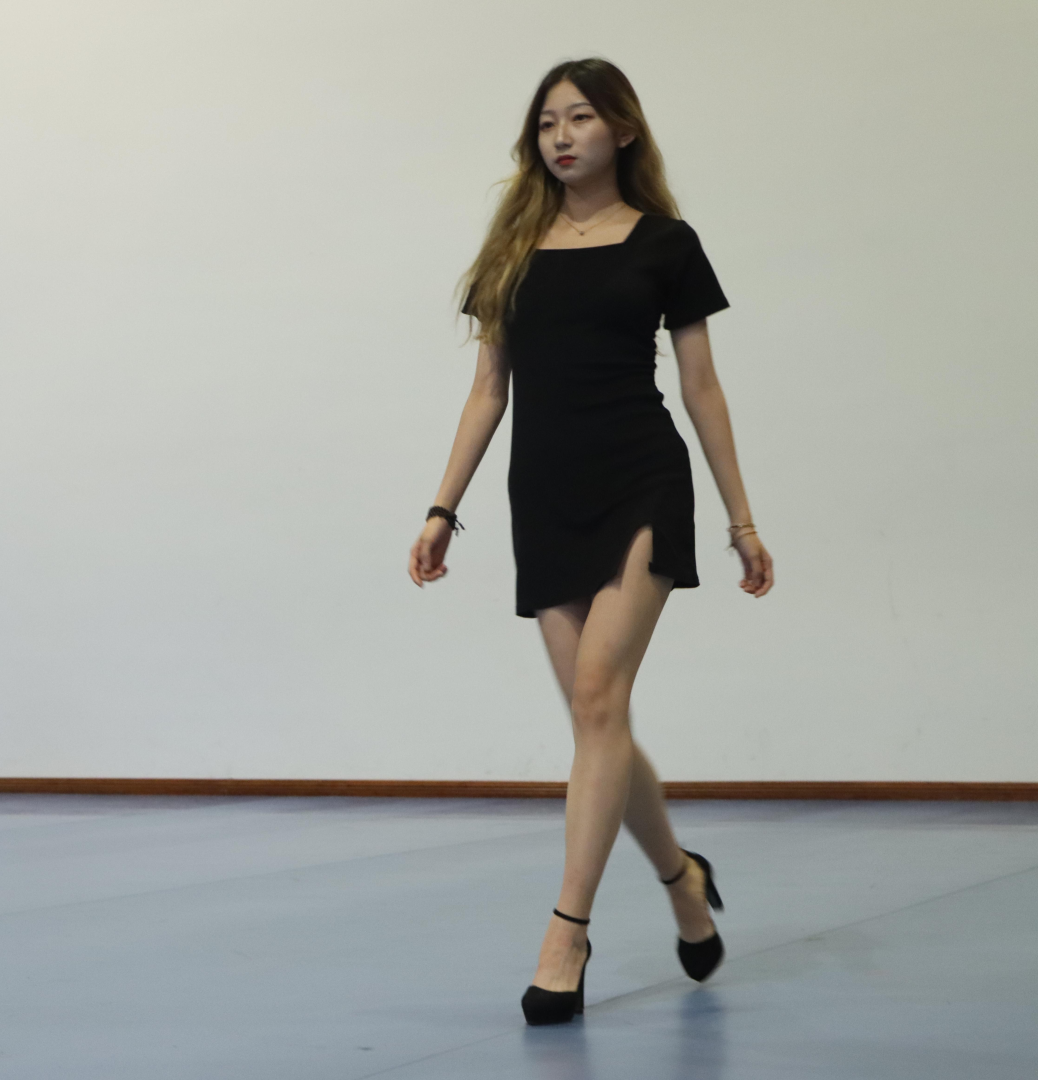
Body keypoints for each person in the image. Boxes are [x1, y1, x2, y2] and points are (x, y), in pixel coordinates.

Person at [407, 57, 774, 1026]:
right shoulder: (512, 248)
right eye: (546, 123)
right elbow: (489, 391)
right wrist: (443, 508)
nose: (561, 137)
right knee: (596, 718)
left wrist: (740, 521)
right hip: (544, 494)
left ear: (623, 130)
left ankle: (567, 932)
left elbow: (701, 387)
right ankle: (683, 878)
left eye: (579, 119)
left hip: (640, 479)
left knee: (600, 697)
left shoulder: (666, 243)